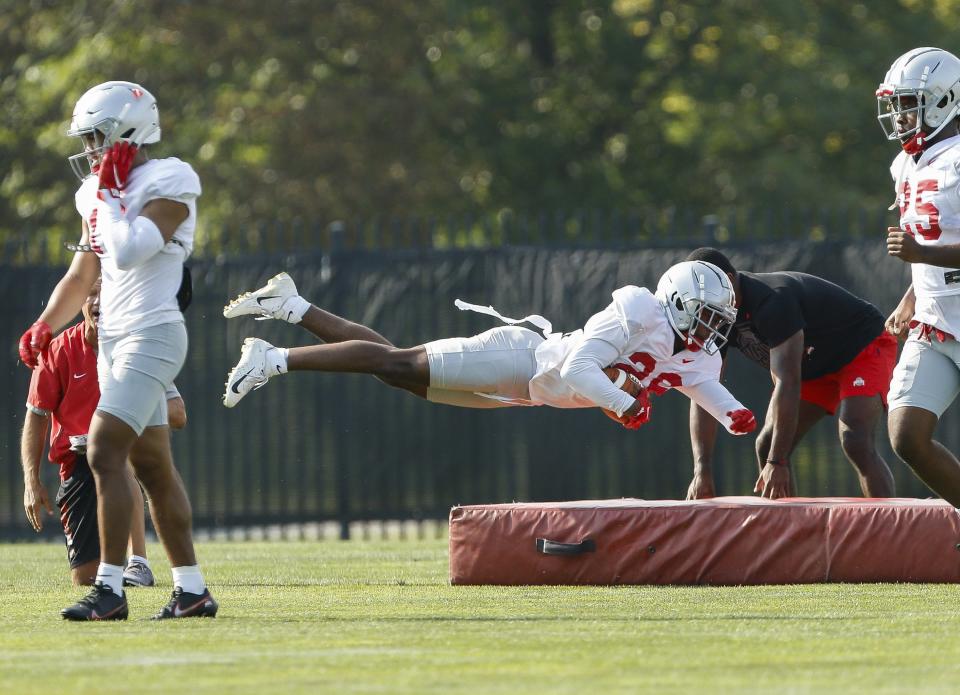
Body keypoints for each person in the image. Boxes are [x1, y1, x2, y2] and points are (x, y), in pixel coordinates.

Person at [17, 81, 216, 620]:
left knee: (103, 450)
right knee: (152, 465)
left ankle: (110, 590)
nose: (89, 150)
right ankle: (192, 590)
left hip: (153, 333)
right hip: (112, 339)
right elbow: (86, 272)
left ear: (126, 132)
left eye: (96, 137)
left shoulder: (171, 177)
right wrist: (45, 323)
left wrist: (107, 192)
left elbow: (127, 253)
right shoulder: (94, 193)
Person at [220, 262, 758, 447]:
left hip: (528, 395)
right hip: (526, 360)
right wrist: (623, 401)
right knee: (396, 363)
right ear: (679, 302)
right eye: (709, 315)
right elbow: (577, 368)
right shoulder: (638, 311)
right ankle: (273, 357)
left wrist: (729, 411)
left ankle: (290, 304)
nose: (714, 329)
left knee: (394, 369)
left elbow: (697, 381)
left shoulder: (697, 350)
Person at [683, 248, 898, 501]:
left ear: (728, 280)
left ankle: (891, 535)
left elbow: (788, 380)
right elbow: (704, 387)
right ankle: (797, 538)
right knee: (766, 446)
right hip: (815, 364)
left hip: (861, 347)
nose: (703, 304)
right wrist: (702, 469)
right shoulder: (717, 314)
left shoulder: (772, 299)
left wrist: (779, 461)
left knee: (855, 440)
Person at [21, 281, 186, 586]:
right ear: (78, 302)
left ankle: (138, 562)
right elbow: (36, 416)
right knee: (85, 579)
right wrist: (31, 480)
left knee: (116, 450)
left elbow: (177, 413)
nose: (97, 301)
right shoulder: (57, 350)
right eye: (91, 293)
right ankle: (113, 562)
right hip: (77, 464)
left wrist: (132, 409)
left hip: (123, 452)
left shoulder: (136, 347)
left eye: (105, 292)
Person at [878, 47, 960, 507]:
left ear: (945, 99)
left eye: (909, 102)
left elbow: (924, 244)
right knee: (907, 435)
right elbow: (930, 235)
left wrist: (922, 252)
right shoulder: (905, 164)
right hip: (936, 319)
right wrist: (911, 294)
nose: (899, 114)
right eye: (896, 103)